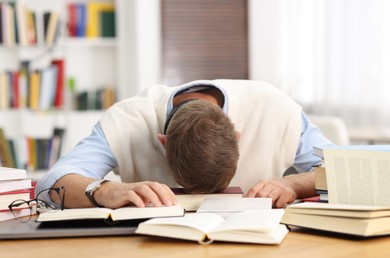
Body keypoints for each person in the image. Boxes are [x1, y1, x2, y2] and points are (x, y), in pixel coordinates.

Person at [36, 79, 332, 209]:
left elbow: (347, 168)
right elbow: (48, 186)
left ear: (237, 138)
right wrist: (104, 190)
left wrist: (294, 184)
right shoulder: (127, 119)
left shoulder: (275, 108)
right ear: (162, 143)